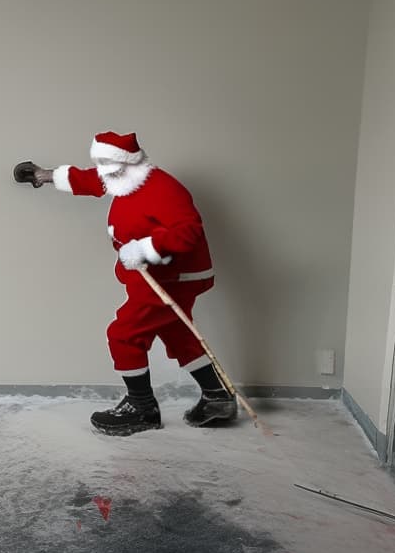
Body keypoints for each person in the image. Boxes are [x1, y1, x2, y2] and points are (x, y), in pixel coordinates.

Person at [13, 131, 237, 436]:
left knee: (123, 335)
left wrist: (145, 248)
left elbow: (188, 231)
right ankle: (217, 398)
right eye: (99, 163)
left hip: (170, 277)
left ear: (128, 162)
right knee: (178, 334)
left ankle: (141, 408)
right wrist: (44, 175)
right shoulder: (122, 175)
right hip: (158, 276)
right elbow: (91, 180)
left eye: (106, 164)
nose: (102, 170)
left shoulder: (163, 188)